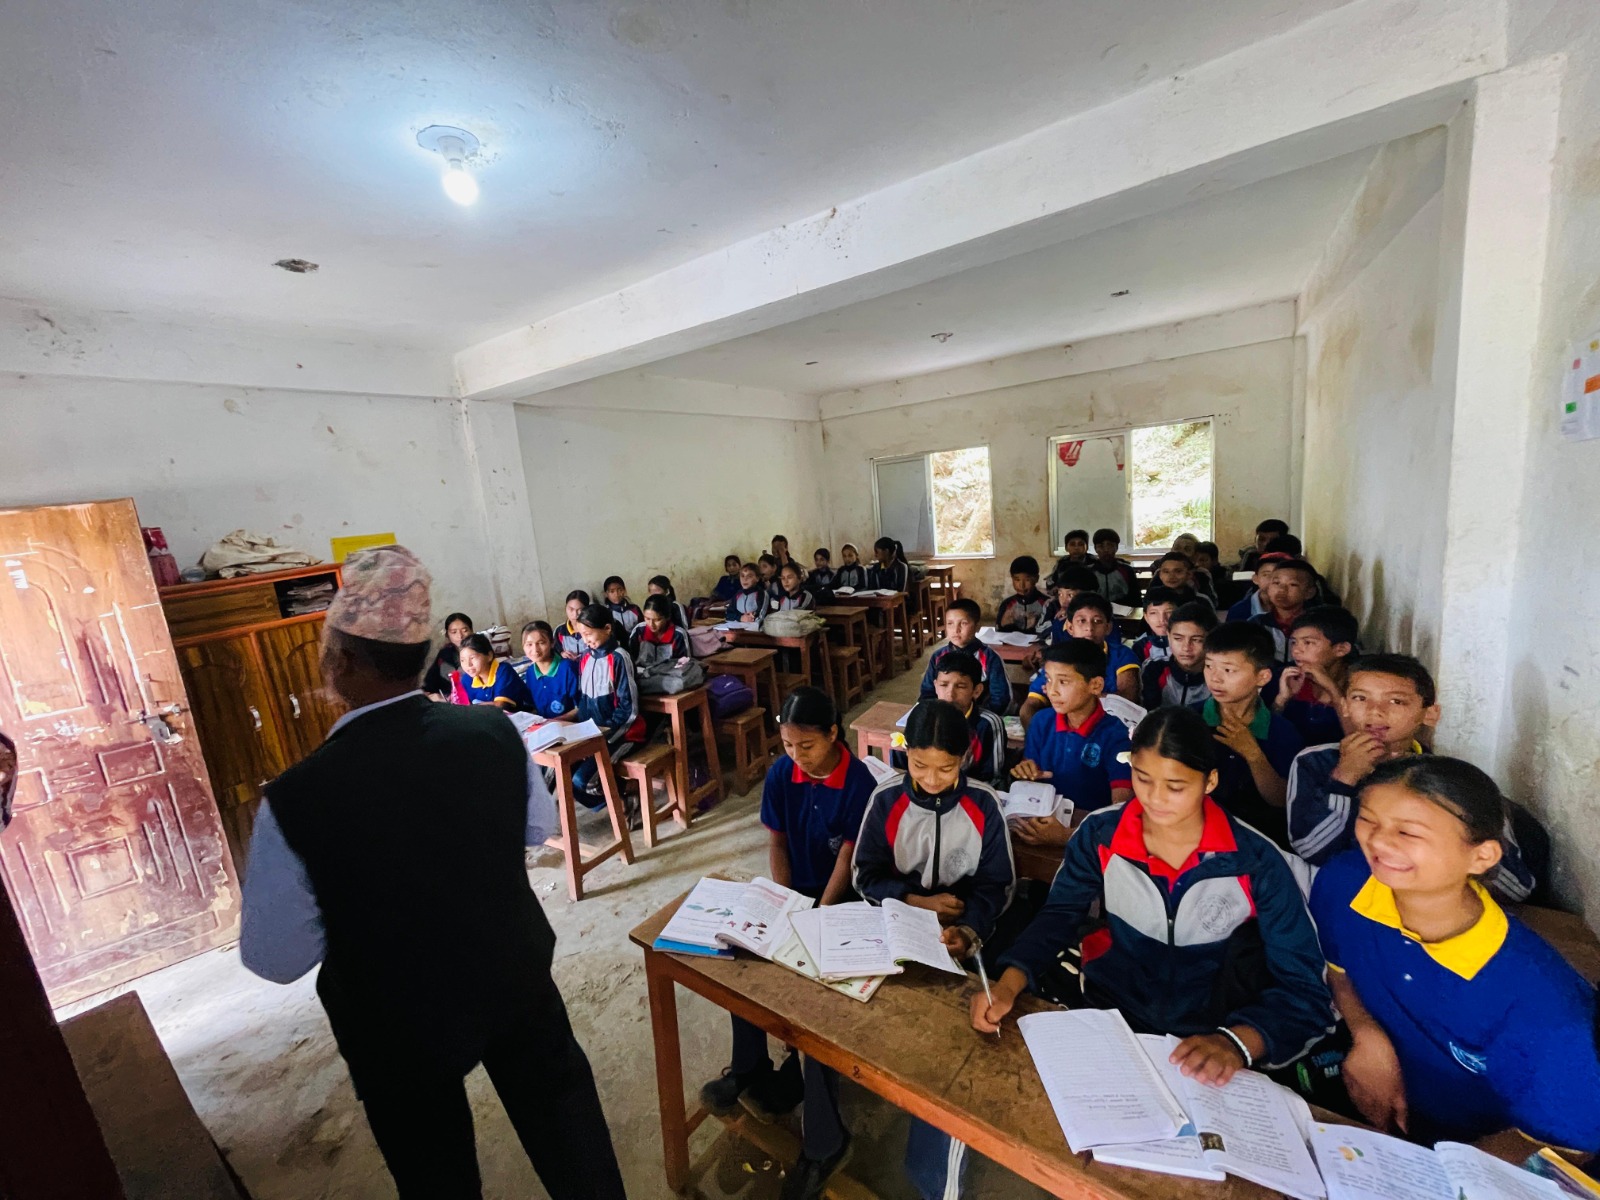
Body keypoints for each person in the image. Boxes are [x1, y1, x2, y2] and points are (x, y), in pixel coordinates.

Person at [239, 545, 625, 1200]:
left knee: (436, 1174)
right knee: (571, 1138)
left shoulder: (296, 800)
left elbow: (275, 957)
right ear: (425, 658)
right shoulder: (493, 735)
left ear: (339, 662)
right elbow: (534, 830)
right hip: (511, 974)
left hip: (396, 1022)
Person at [976, 706, 1335, 1097]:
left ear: (1210, 781)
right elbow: (1059, 916)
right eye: (1142, 778)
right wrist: (1008, 984)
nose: (1154, 799)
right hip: (1111, 1015)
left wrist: (1237, 1042)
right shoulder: (1101, 834)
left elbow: (1305, 989)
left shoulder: (1254, 861)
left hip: (1210, 1037)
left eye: (1175, 786)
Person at [1309, 757, 1600, 1150]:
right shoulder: (1346, 882)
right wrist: (1367, 1034)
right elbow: (1340, 971)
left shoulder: (1542, 1009)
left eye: (1408, 832)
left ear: (1482, 856)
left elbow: (1562, 1154)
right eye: (1368, 819)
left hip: (1480, 1153)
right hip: (1384, 1112)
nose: (1377, 842)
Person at [843, 701, 1015, 1200]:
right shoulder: (886, 799)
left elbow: (998, 886)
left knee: (958, 1047)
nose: (933, 779)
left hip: (962, 943)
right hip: (899, 931)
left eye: (946, 767)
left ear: (966, 757)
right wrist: (915, 902)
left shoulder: (983, 805)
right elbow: (865, 875)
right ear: (905, 753)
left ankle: (936, 1169)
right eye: (920, 765)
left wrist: (969, 930)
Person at [700, 689, 876, 1151]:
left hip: (843, 898)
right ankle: (748, 1066)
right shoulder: (782, 774)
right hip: (796, 891)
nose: (796, 755)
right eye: (787, 745)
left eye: (807, 746)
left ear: (833, 734)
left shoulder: (858, 782)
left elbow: (848, 858)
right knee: (744, 957)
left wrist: (818, 914)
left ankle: (817, 1100)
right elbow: (777, 843)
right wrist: (784, 901)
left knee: (819, 988)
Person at [1285, 655, 1538, 901]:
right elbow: (1310, 850)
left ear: (1430, 714)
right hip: (1342, 900)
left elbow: (1517, 887)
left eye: (1396, 701)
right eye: (1360, 698)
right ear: (1344, 706)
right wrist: (1344, 779)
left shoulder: (1455, 782)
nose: (1375, 711)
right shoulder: (1314, 762)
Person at [1012, 641, 1135, 856]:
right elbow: (1031, 777)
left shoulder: (1116, 735)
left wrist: (1066, 836)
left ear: (1095, 685)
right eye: (1048, 679)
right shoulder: (1042, 722)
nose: (1052, 691)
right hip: (1044, 823)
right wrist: (1026, 772)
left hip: (1091, 841)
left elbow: (1120, 812)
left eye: (1063, 682)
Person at [1196, 621, 1303, 848]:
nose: (1215, 678)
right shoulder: (1189, 720)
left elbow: (1282, 800)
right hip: (1198, 834)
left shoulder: (1281, 731)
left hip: (1260, 841)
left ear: (1262, 677)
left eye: (1228, 670)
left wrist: (1253, 755)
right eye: (1208, 666)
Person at [895, 651, 1006, 785]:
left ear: (977, 691)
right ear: (935, 686)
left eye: (960, 686)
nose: (950, 694)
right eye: (943, 685)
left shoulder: (988, 725)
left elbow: (993, 779)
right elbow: (904, 767)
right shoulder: (922, 718)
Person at [572, 604, 645, 804]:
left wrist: (606, 734)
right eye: (581, 635)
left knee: (583, 781)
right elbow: (583, 700)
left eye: (588, 634)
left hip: (622, 735)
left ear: (607, 629)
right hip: (593, 734)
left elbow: (629, 710)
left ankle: (627, 790)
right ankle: (622, 797)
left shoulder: (619, 658)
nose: (585, 640)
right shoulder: (585, 658)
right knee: (564, 774)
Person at [1270, 607, 1358, 745]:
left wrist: (1332, 689)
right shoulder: (1284, 677)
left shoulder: (1360, 684)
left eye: (1308, 642)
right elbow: (1267, 736)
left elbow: (1359, 741)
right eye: (1294, 642)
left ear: (1341, 649)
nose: (1296, 650)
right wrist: (1282, 700)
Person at [918, 598, 1009, 712]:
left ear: (977, 626)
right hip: (943, 715)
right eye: (950, 623)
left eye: (963, 623)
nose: (956, 630)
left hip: (978, 716)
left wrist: (973, 717)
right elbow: (927, 693)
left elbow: (1000, 699)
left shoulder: (990, 658)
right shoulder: (938, 656)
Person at [1141, 600, 1216, 710]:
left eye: (1196, 640)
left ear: (1210, 639)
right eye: (1178, 638)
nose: (1186, 648)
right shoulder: (1154, 669)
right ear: (1169, 636)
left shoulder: (1218, 675)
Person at [1251, 557, 1318, 662]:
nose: (1281, 589)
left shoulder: (1318, 625)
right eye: (1276, 583)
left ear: (1309, 592)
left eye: (1293, 584)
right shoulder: (1257, 623)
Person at [458, 633, 535, 712]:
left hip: (527, 714)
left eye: (472, 658)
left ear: (489, 656)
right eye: (462, 660)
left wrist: (471, 708)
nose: (468, 664)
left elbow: (500, 705)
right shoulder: (466, 679)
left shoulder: (503, 671)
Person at [519, 621, 579, 721]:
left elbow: (581, 707)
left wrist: (555, 722)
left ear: (552, 643)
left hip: (570, 726)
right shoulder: (530, 672)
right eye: (529, 644)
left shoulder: (568, 668)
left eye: (541, 643)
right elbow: (533, 707)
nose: (535, 650)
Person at [1038, 565, 1098, 644]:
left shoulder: (1102, 619)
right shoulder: (1060, 621)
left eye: (1070, 595)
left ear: (1090, 594)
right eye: (1060, 594)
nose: (1063, 600)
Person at [630, 593, 691, 667]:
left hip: (671, 672)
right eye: (647, 618)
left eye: (657, 620)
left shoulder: (678, 635)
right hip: (642, 672)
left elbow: (685, 663)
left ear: (667, 617)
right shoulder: (639, 631)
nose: (651, 624)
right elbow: (631, 659)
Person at [1226, 551, 1288, 624]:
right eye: (1266, 575)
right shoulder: (1239, 611)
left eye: (1280, 575)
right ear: (1255, 579)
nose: (1273, 580)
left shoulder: (1298, 610)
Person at [423, 611, 473, 697]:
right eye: (454, 632)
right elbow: (430, 684)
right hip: (447, 700)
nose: (460, 636)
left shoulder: (480, 652)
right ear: (447, 635)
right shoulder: (443, 655)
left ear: (472, 631)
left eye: (465, 630)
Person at [995, 555, 1048, 633]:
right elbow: (998, 631)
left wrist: (1037, 625)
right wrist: (1003, 624)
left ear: (1036, 578)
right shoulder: (1007, 604)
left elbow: (1052, 634)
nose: (1022, 585)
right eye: (1017, 580)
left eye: (1027, 580)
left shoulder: (1046, 604)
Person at [1089, 527, 1140, 606]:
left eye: (1110, 545)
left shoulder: (1127, 570)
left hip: (1124, 611)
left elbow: (1136, 599)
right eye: (1101, 546)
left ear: (1116, 548)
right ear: (1095, 549)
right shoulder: (1088, 572)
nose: (1106, 550)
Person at [1131, 586, 1178, 663]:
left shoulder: (1187, 642)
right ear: (1146, 617)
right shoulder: (1140, 647)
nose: (1162, 619)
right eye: (1153, 613)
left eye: (1169, 612)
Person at [556, 591, 590, 659]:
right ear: (565, 608)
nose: (575, 614)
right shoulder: (560, 631)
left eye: (580, 610)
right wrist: (562, 654)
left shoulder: (592, 629)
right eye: (571, 609)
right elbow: (555, 651)